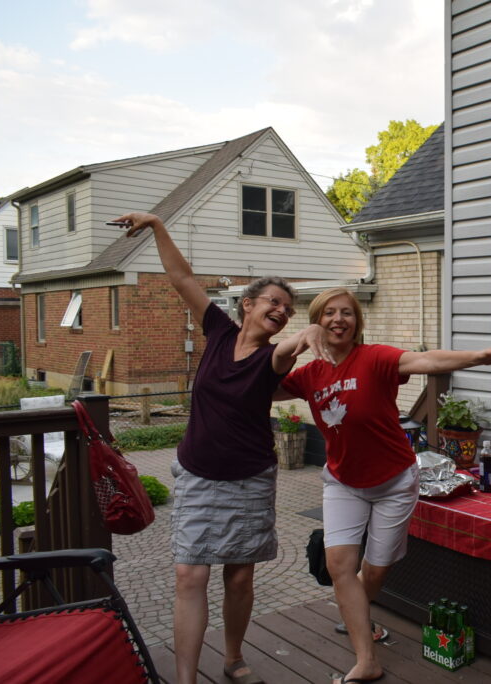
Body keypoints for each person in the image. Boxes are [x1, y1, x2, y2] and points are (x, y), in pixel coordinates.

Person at [113, 212, 330, 684]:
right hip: (197, 474)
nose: (282, 311)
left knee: (239, 576)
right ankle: (186, 679)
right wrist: (157, 225)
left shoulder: (271, 358)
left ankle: (232, 658)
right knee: (190, 576)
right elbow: (182, 277)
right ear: (247, 304)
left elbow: (287, 350)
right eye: (274, 301)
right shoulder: (217, 331)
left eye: (289, 309)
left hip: (249, 480)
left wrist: (308, 334)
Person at [276, 286, 491, 684]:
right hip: (342, 481)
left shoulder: (374, 358)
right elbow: (262, 384)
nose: (339, 319)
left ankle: (357, 616)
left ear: (357, 322)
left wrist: (482, 356)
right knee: (340, 567)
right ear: (317, 321)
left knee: (374, 572)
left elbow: (427, 360)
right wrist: (293, 343)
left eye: (347, 313)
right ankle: (366, 659)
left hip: (393, 482)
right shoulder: (309, 374)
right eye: (329, 313)